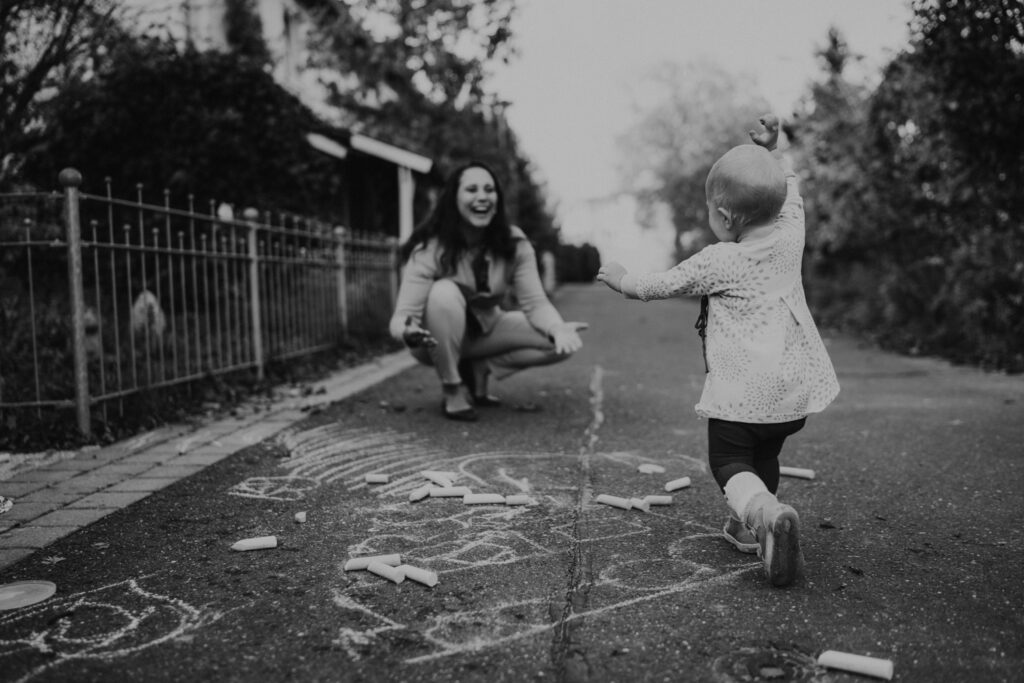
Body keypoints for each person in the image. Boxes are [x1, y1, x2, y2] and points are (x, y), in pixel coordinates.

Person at [596, 116, 839, 587]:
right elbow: (792, 198)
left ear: (726, 218)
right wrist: (775, 150)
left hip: (742, 397)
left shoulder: (721, 259)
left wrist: (623, 279)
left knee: (728, 463)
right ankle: (749, 528)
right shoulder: (791, 236)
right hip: (790, 397)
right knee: (763, 453)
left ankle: (765, 515)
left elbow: (663, 284)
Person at [389, 161, 587, 422]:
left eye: (489, 189)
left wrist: (556, 328)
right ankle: (452, 386)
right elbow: (401, 318)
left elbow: (535, 303)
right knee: (443, 292)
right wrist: (407, 332)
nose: (482, 196)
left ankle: (480, 368)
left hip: (488, 328)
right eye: (471, 189)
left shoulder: (513, 242)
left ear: (497, 198)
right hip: (436, 341)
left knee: (561, 343)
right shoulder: (430, 247)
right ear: (453, 199)